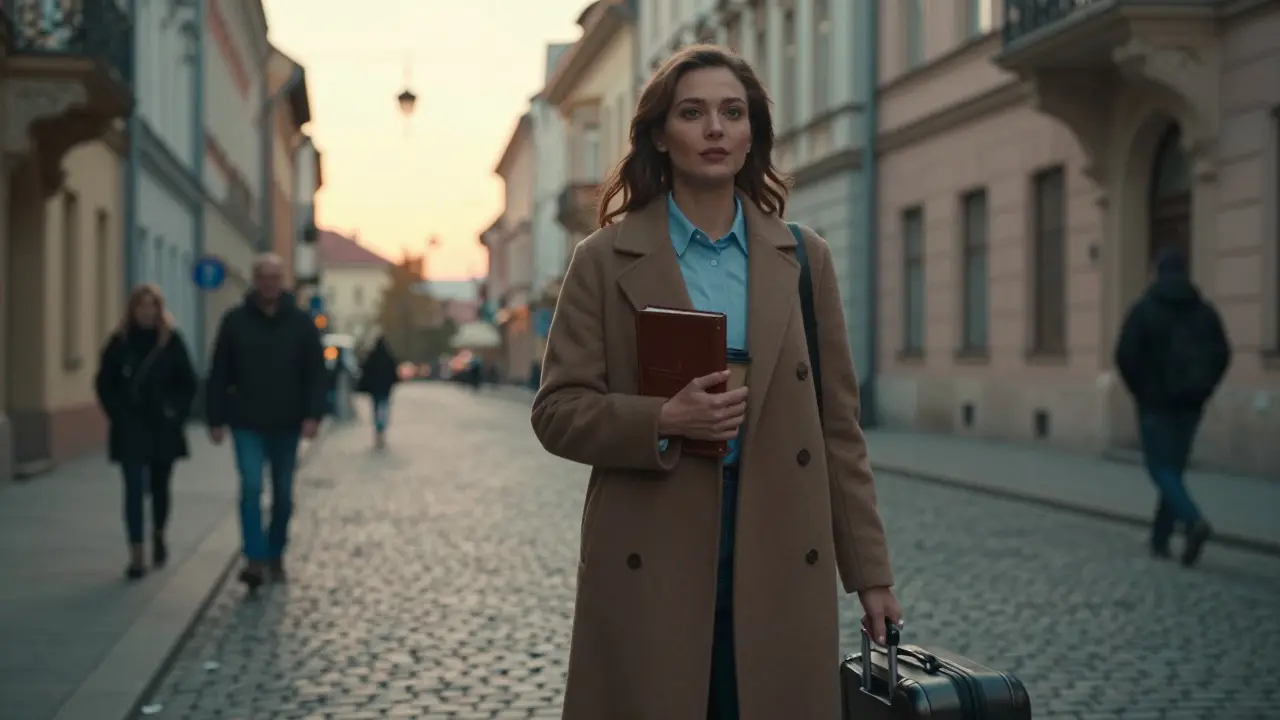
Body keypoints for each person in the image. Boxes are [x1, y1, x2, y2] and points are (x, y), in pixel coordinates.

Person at [529, 45, 901, 720]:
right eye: (693, 112)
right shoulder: (603, 259)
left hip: (779, 542)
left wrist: (870, 574)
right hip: (654, 545)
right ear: (660, 136)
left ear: (752, 131)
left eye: (733, 112)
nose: (715, 129)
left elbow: (837, 428)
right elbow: (557, 411)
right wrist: (663, 420)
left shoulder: (803, 258)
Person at [206, 254, 326, 588]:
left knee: (284, 494)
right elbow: (219, 372)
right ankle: (254, 558)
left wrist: (313, 414)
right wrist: (214, 418)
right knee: (251, 487)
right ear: (255, 280)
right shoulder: (235, 321)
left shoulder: (301, 323)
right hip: (247, 421)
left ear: (283, 280)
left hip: (288, 422)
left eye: (275, 276)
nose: (270, 283)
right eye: (264, 277)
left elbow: (316, 373)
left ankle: (275, 551)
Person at [1115, 246, 1229, 566]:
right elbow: (1223, 354)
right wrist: (1204, 390)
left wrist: (1142, 391)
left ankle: (1193, 521)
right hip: (1191, 404)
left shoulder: (1145, 309)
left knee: (1160, 469)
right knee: (1173, 470)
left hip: (1155, 405)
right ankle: (1160, 539)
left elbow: (1125, 355)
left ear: (1158, 272)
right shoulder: (1205, 312)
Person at [95, 284, 198, 580]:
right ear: (132, 310)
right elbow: (104, 382)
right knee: (132, 488)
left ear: (159, 309)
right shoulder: (119, 343)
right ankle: (136, 553)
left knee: (160, 487)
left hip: (162, 428)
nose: (147, 312)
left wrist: (174, 411)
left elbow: (188, 382)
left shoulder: (171, 341)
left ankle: (158, 533)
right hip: (130, 428)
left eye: (152, 306)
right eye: (142, 306)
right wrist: (117, 411)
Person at [357, 335, 400, 448]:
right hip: (385, 388)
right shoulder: (389, 357)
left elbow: (364, 369)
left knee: (376, 408)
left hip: (375, 389)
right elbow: (394, 372)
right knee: (384, 407)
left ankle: (378, 428)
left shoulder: (372, 356)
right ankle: (382, 428)